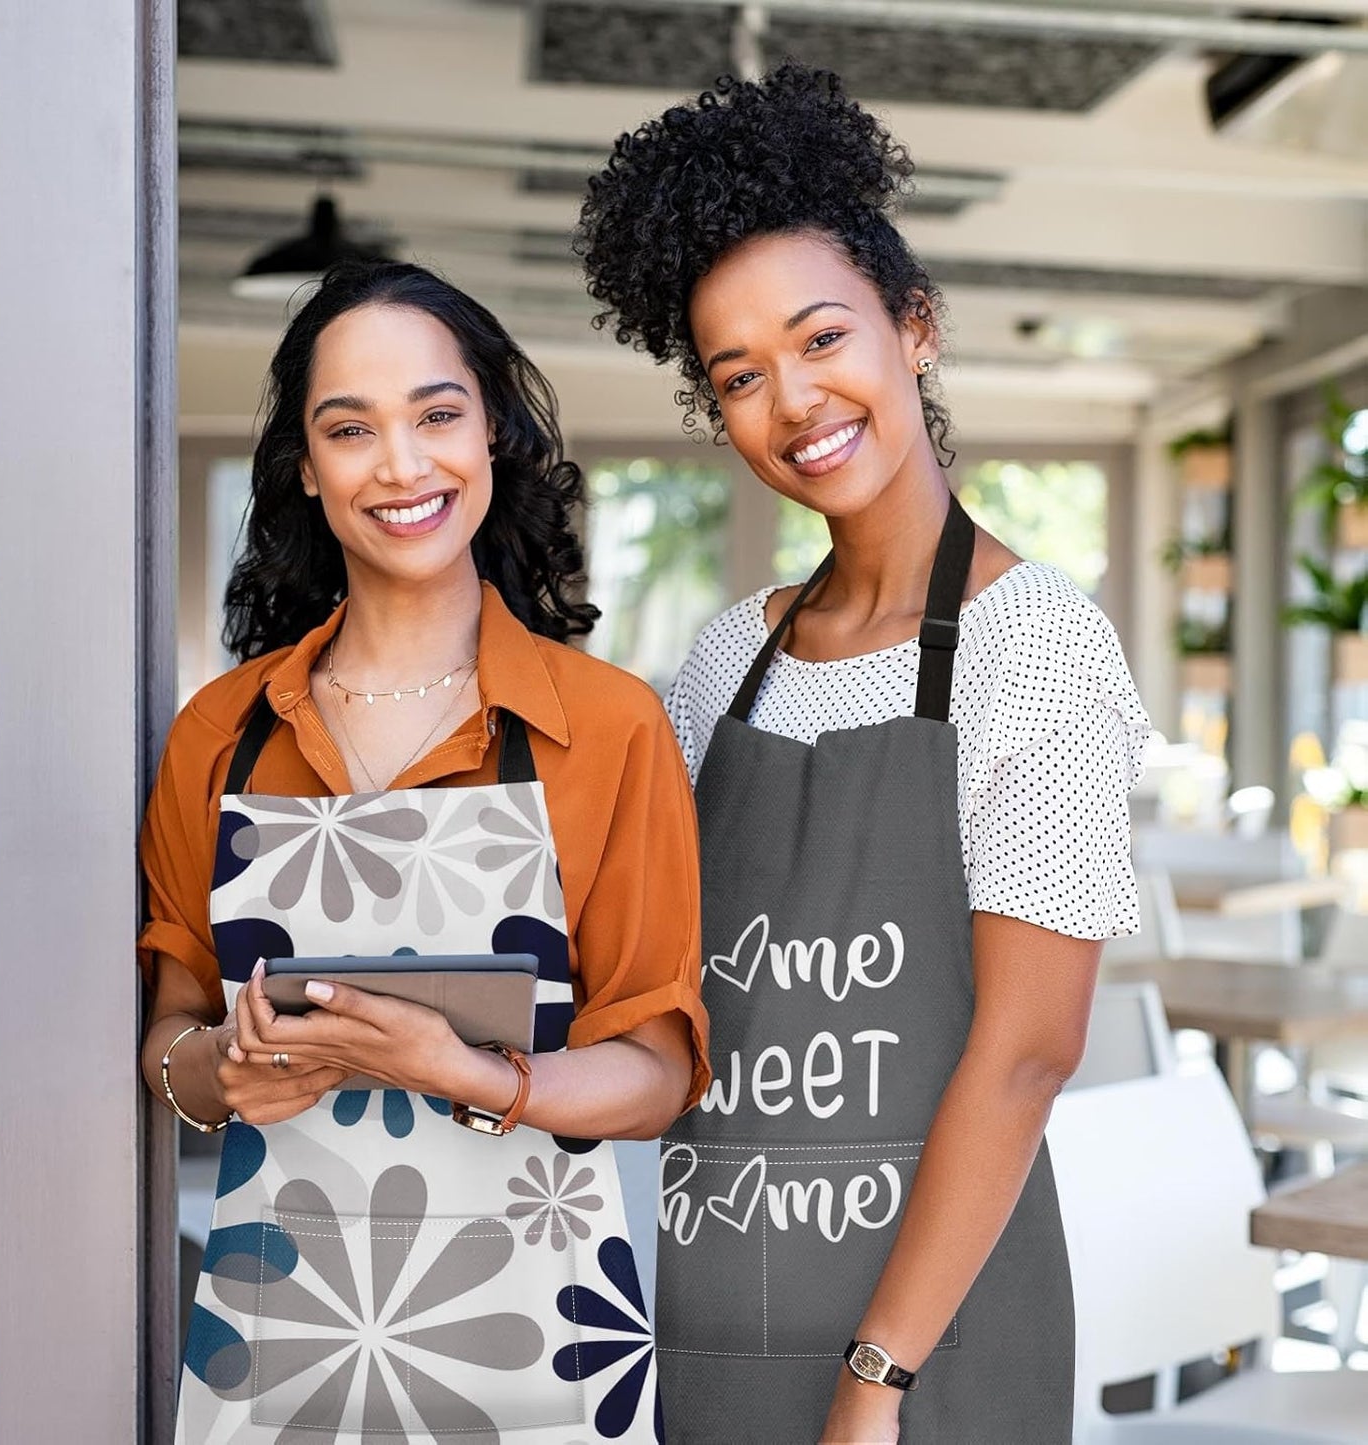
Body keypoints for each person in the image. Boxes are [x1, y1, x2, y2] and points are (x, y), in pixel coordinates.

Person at [577, 63, 1151, 1444]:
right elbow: (652, 979)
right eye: (740, 376)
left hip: (926, 1350)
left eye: (823, 337)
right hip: (711, 1313)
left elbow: (1027, 1053)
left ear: (915, 327)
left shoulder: (1040, 649)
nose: (794, 399)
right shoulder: (726, 660)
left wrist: (873, 1380)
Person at [137, 259, 708, 1444]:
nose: (401, 465)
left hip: (542, 1346)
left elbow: (655, 1066)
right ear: (308, 467)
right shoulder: (220, 733)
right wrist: (212, 1072)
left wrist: (466, 1071)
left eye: (437, 415)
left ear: (491, 432)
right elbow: (171, 1027)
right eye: (352, 429)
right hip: (273, 1344)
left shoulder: (604, 727)